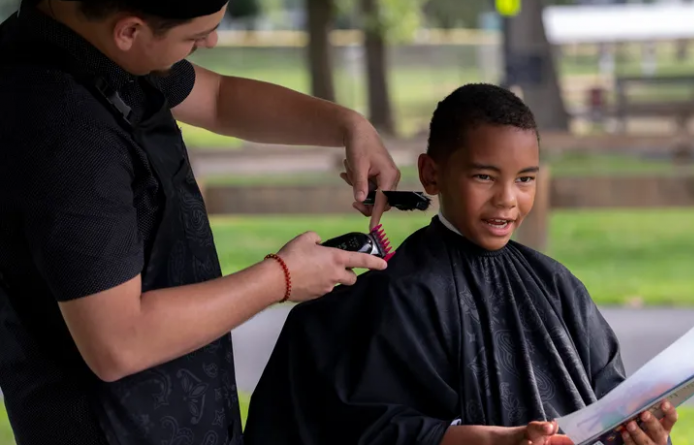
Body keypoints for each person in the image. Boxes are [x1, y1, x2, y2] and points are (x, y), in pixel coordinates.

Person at [0, 1, 399, 444]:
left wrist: (348, 126)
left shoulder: (88, 39)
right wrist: (282, 277)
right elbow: (120, 342)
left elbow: (219, 98)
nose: (211, 42)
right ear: (129, 31)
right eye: (195, 36)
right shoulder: (65, 130)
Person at [242, 83, 680, 445]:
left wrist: (640, 434)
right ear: (431, 174)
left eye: (525, 179)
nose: (507, 199)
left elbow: (607, 399)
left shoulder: (556, 284)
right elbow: (369, 426)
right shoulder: (401, 292)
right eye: (484, 176)